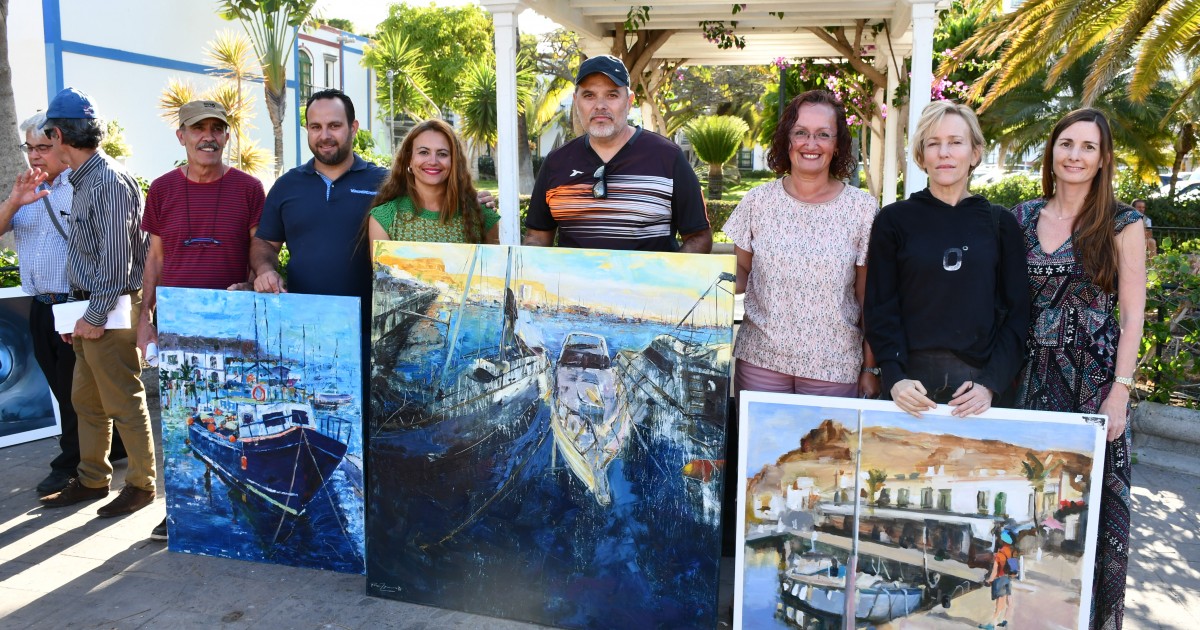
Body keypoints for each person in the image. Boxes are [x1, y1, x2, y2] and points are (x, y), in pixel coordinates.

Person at [1011, 108, 1145, 630]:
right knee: (1030, 503)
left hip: (1091, 384)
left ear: (1103, 158)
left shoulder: (1121, 222)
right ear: (1052, 151)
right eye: (1066, 144)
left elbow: (1132, 314)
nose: (1074, 155)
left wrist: (1120, 391)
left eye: (1087, 147)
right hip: (1026, 377)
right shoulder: (1020, 217)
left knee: (1085, 513)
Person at [137, 100, 265, 541]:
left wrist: (250, 287)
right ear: (182, 137)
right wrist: (144, 318)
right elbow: (154, 258)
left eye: (217, 128)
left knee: (229, 414)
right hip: (174, 321)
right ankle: (177, 510)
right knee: (179, 417)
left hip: (229, 323)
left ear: (227, 136)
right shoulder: (161, 189)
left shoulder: (249, 188)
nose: (208, 136)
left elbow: (258, 251)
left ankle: (237, 499)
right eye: (198, 129)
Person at [865, 100, 1029, 418]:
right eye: (934, 143)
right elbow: (880, 306)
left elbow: (1017, 315)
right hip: (909, 392)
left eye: (956, 142)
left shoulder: (1000, 224)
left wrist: (990, 384)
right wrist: (894, 377)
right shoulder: (894, 220)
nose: (945, 153)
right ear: (921, 155)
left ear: (975, 153)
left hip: (977, 395)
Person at [37, 87, 157, 518]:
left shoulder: (107, 180)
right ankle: (92, 480)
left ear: (56, 134)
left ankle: (141, 485)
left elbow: (117, 259)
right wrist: (80, 312)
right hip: (95, 307)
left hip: (111, 307)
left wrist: (91, 314)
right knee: (86, 400)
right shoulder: (88, 178)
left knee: (123, 399)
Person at [0, 111, 126, 497]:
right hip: (40, 305)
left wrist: (91, 307)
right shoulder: (25, 188)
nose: (36, 156)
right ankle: (112, 447)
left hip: (76, 303)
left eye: (44, 147)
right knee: (62, 388)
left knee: (77, 396)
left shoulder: (82, 186)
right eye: (30, 148)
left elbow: (110, 247)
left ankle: (71, 465)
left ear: (61, 144)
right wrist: (14, 201)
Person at [723, 90, 880, 399]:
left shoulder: (862, 209)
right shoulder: (758, 202)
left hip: (834, 368)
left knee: (826, 450)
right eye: (801, 133)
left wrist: (870, 368)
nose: (811, 144)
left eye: (823, 134)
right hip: (761, 363)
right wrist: (686, 278)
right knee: (758, 449)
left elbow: (868, 297)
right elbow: (740, 270)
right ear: (787, 140)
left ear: (837, 145)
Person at [523, 55, 712, 253]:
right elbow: (537, 236)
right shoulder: (556, 162)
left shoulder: (668, 157)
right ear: (575, 101)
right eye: (589, 96)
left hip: (647, 284)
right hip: (576, 284)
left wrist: (665, 281)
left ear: (629, 101)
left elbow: (699, 237)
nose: (600, 105)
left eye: (612, 95)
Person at [251, 89, 385, 300]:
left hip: (370, 327)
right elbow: (265, 243)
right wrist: (266, 269)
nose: (325, 136)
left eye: (334, 125)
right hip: (304, 323)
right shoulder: (287, 185)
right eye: (316, 127)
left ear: (353, 128)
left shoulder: (384, 184)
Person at [366, 119, 499, 244]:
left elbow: (495, 267)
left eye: (442, 154)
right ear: (409, 160)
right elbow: (382, 269)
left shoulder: (481, 214)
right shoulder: (384, 217)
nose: (433, 161)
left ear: (454, 161)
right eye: (423, 152)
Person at [982, 529, 1018, 630]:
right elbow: (1013, 572)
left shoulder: (999, 555)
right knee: (1009, 602)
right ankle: (1004, 620)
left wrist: (989, 580)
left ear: (1003, 541)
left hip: (999, 580)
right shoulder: (1011, 552)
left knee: (999, 604)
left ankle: (992, 624)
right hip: (1007, 579)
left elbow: (994, 571)